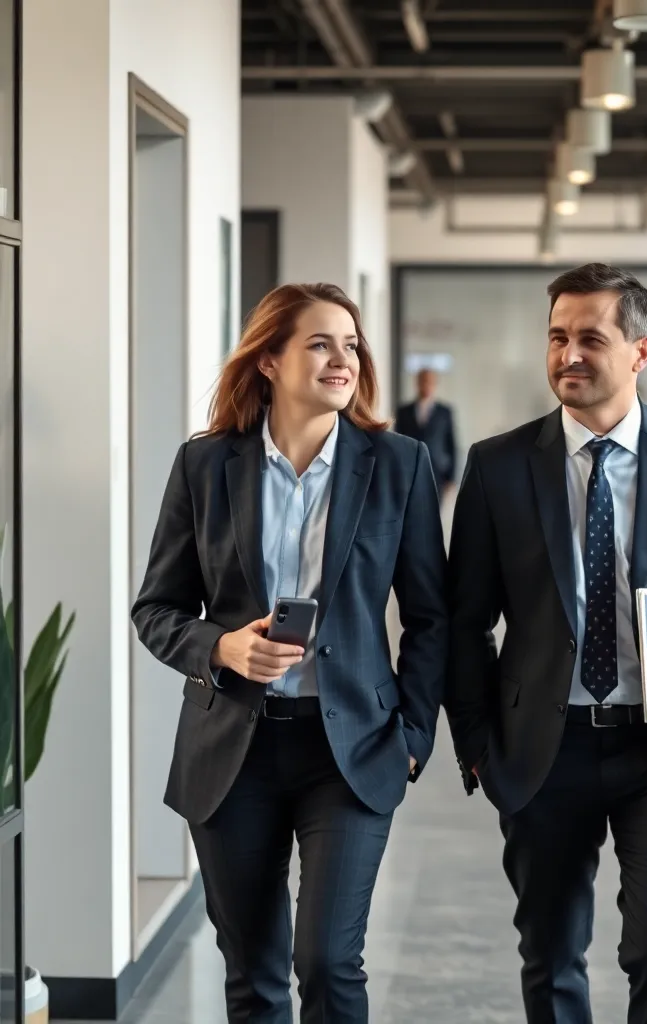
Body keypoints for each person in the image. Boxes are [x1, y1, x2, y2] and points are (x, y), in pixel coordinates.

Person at [446, 263, 647, 1023]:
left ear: (640, 351)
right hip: (542, 746)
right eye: (557, 337)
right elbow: (465, 621)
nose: (569, 355)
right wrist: (478, 744)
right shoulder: (497, 466)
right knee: (551, 952)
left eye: (591, 339)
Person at [131, 283, 447, 1023]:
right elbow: (156, 609)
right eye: (320, 343)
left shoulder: (398, 463)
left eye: (351, 345)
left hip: (353, 746)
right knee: (254, 974)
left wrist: (412, 737)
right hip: (230, 751)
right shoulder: (205, 465)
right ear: (269, 360)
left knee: (329, 962)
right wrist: (222, 646)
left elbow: (432, 618)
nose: (344, 359)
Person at [394, 368, 458, 492]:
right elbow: (397, 443)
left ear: (435, 384)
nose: (427, 385)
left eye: (430, 382)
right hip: (409, 470)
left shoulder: (444, 412)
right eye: (424, 381)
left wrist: (451, 477)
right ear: (417, 383)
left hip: (438, 472)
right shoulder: (403, 412)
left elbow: (451, 444)